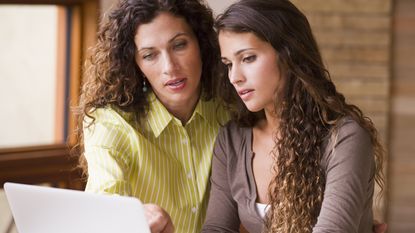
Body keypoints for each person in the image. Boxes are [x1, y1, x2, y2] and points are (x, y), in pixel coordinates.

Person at [202, 0, 385, 232]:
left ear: (289, 55)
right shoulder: (232, 140)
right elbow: (218, 228)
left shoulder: (344, 138)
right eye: (228, 64)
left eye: (248, 58)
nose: (234, 77)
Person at [75, 0, 228, 233]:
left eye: (179, 45)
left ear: (202, 43)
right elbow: (105, 197)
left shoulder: (230, 109)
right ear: (134, 64)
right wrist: (129, 215)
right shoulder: (110, 122)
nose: (170, 67)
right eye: (149, 55)